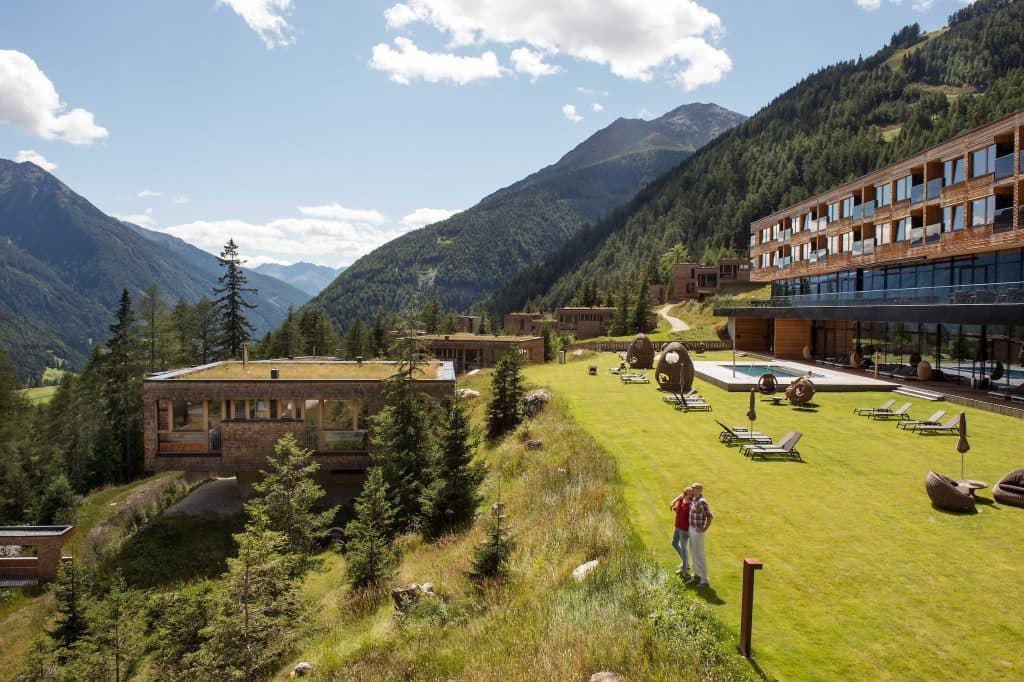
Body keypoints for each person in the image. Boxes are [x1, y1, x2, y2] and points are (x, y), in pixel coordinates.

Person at [688, 482, 713, 587]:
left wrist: (704, 528)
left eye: (694, 488)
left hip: (697, 531)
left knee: (699, 554)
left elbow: (710, 516)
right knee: (693, 552)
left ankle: (704, 579)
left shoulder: (702, 502)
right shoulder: (694, 500)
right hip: (691, 529)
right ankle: (696, 573)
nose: (691, 489)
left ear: (699, 490)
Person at [669, 486, 693, 577]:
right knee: (674, 543)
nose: (690, 494)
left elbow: (687, 516)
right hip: (677, 526)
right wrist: (674, 506)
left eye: (691, 493)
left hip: (684, 530)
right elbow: (678, 510)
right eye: (688, 492)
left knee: (684, 548)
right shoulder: (682, 499)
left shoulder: (691, 505)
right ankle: (685, 563)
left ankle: (685, 569)